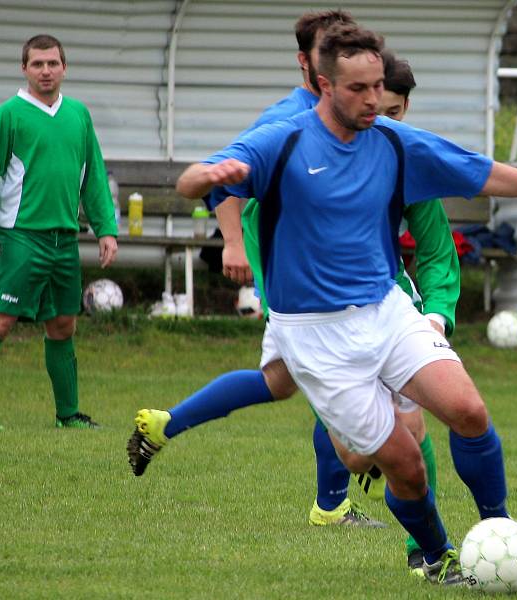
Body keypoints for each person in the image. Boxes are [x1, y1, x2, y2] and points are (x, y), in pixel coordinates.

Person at [133, 24, 517, 586]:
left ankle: (499, 526)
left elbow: (479, 173)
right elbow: (195, 180)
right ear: (325, 86)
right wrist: (209, 177)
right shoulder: (281, 141)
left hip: (386, 310)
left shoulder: (392, 140)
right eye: (358, 88)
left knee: (469, 412)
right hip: (313, 333)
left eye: (377, 86)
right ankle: (437, 558)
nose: (371, 99)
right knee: (403, 465)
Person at [141, 10, 389, 530]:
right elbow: (219, 177)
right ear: (307, 62)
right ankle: (333, 505)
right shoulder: (286, 118)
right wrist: (232, 242)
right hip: (297, 274)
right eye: (327, 51)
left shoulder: (348, 114)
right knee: (342, 373)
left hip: (323, 274)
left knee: (278, 381)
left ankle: (166, 424)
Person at [0, 34, 118, 430]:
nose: (46, 71)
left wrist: (106, 229)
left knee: (63, 325)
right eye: (37, 64)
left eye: (52, 63)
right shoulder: (9, 114)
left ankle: (68, 415)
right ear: (24, 69)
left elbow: (93, 176)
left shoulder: (79, 114)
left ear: (64, 67)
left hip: (64, 240)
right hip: (19, 237)